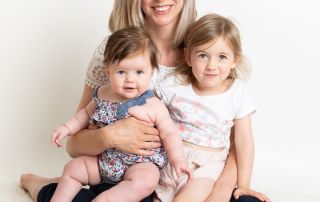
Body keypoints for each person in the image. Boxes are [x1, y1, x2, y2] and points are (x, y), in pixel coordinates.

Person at [20, 0, 269, 201]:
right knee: (86, 191)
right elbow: (74, 145)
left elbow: (236, 137)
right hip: (129, 173)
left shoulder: (204, 46)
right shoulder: (115, 49)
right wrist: (109, 136)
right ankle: (44, 187)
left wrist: (223, 189)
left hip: (197, 172)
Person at [49, 26, 191, 202]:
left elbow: (169, 133)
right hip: (103, 160)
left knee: (148, 179)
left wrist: (177, 159)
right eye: (122, 72)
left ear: (151, 71)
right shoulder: (101, 94)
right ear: (108, 71)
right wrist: (66, 128)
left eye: (139, 72)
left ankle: (106, 199)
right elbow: (84, 115)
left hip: (138, 164)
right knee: (72, 168)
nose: (130, 79)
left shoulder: (153, 105)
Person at [153, 14, 271, 202]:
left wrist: (244, 185)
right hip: (171, 158)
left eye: (222, 57)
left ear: (235, 60)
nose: (211, 66)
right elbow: (151, 115)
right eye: (202, 55)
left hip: (207, 166)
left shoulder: (236, 93)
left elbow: (244, 141)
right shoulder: (173, 85)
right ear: (188, 57)